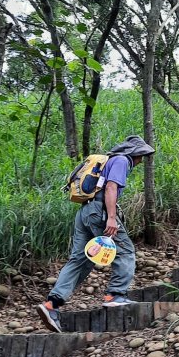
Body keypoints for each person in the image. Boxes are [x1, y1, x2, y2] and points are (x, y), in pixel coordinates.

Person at [36, 135, 155, 332]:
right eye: (142, 155)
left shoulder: (109, 159)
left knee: (80, 259)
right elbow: (111, 187)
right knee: (125, 251)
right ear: (134, 152)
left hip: (84, 212)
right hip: (99, 211)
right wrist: (111, 217)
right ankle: (115, 295)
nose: (142, 160)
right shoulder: (122, 160)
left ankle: (52, 305)